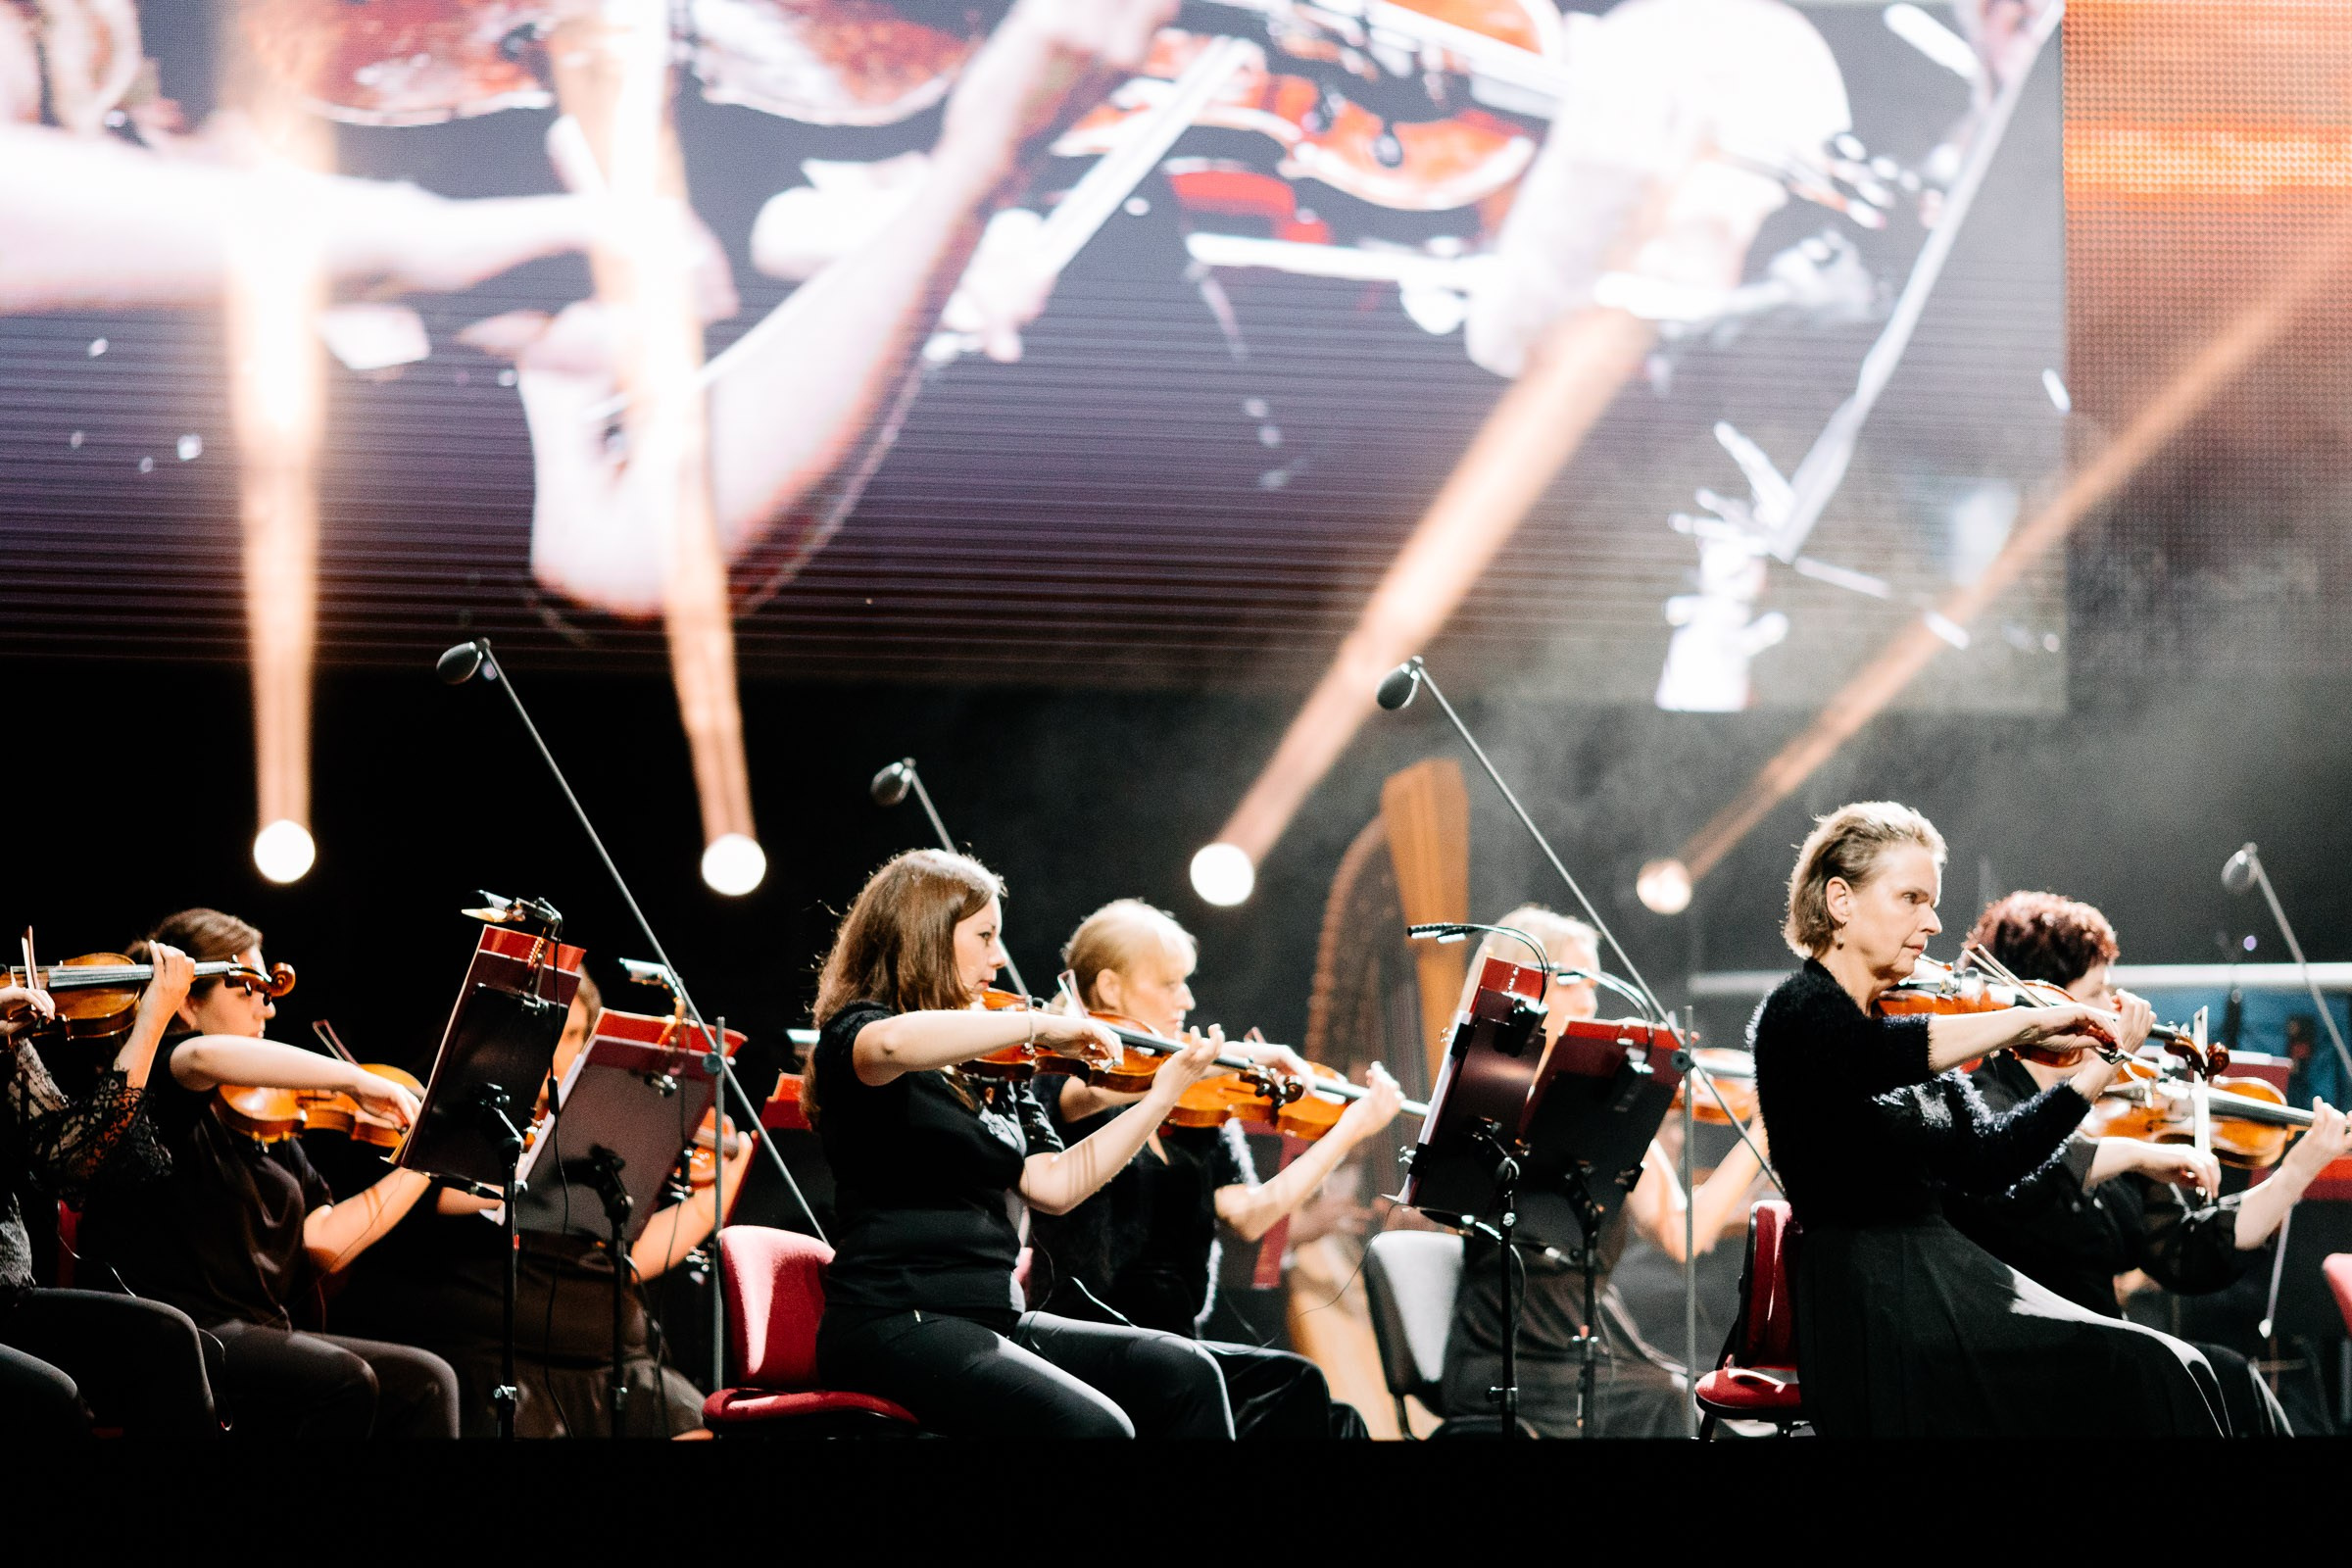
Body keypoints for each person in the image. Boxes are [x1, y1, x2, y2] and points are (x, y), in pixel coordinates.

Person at [1752, 801, 2225, 1436]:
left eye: (1933, 901)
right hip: (1875, 1301)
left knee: (2179, 1366)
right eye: (1912, 898)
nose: (1933, 921)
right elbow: (1869, 1058)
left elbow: (1993, 1160)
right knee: (2141, 1371)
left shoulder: (1900, 1020)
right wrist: (2028, 1020)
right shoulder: (1798, 1013)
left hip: (1946, 1275)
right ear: (1840, 901)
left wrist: (2099, 1067)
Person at [807, 849, 1236, 1438]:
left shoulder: (995, 1070)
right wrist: (1041, 1023)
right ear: (928, 935)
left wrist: (1161, 1095)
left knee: (1184, 1370)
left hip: (992, 1316)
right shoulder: (856, 1035)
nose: (998, 957)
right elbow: (891, 1046)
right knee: (1097, 1430)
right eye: (984, 936)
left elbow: (1054, 1186)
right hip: (893, 1319)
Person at [1945, 890, 2352, 1437]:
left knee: (2233, 1381)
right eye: (2097, 993)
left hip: (2105, 1352)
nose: (2114, 1010)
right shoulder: (1982, 1101)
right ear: (2044, 1003)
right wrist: (2137, 1150)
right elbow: (2020, 1163)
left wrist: (2298, 1170)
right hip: (2018, 1359)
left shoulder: (2117, 1111)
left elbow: (2189, 1251)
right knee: (2197, 1376)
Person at [75, 907, 461, 1439]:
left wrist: (424, 1163)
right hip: (182, 1334)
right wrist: (355, 1081)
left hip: (257, 1336)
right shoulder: (158, 1077)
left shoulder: (267, 1121)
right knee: (345, 1381)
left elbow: (324, 1242)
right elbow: (206, 1057)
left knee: (429, 1380)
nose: (268, 1009)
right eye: (247, 990)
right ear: (188, 1001)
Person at [321, 971, 756, 1437]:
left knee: (703, 1428)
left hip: (615, 1363)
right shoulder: (479, 1117)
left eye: (574, 1037)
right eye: (550, 1036)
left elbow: (627, 1261)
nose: (561, 1056)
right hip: (504, 1360)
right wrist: (537, 1164)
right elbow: (445, 1198)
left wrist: (720, 1191)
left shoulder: (601, 1137)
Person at [1031, 898, 1396, 1439]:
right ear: (1110, 988)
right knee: (1284, 1385)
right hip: (1084, 1342)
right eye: (1168, 984)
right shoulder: (1063, 1077)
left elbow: (1251, 1216)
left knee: (1329, 1415)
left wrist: (1349, 1130)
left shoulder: (1202, 1105)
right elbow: (1089, 1093)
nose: (1188, 999)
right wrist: (1220, 1063)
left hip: (1179, 1345)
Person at [1440, 906, 1771, 1437]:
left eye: (1596, 983)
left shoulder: (1613, 1105)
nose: (1592, 1000)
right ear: (1528, 988)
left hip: (1592, 1346)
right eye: (1573, 980)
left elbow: (1684, 1234)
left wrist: (1760, 1134)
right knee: (1668, 1405)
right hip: (1505, 1355)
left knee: (1701, 1407)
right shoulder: (1487, 1098)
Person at [0, 964, 218, 1437]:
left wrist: (153, 1016)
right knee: (51, 1398)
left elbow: (73, 1157)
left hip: (7, 1298)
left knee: (168, 1337)